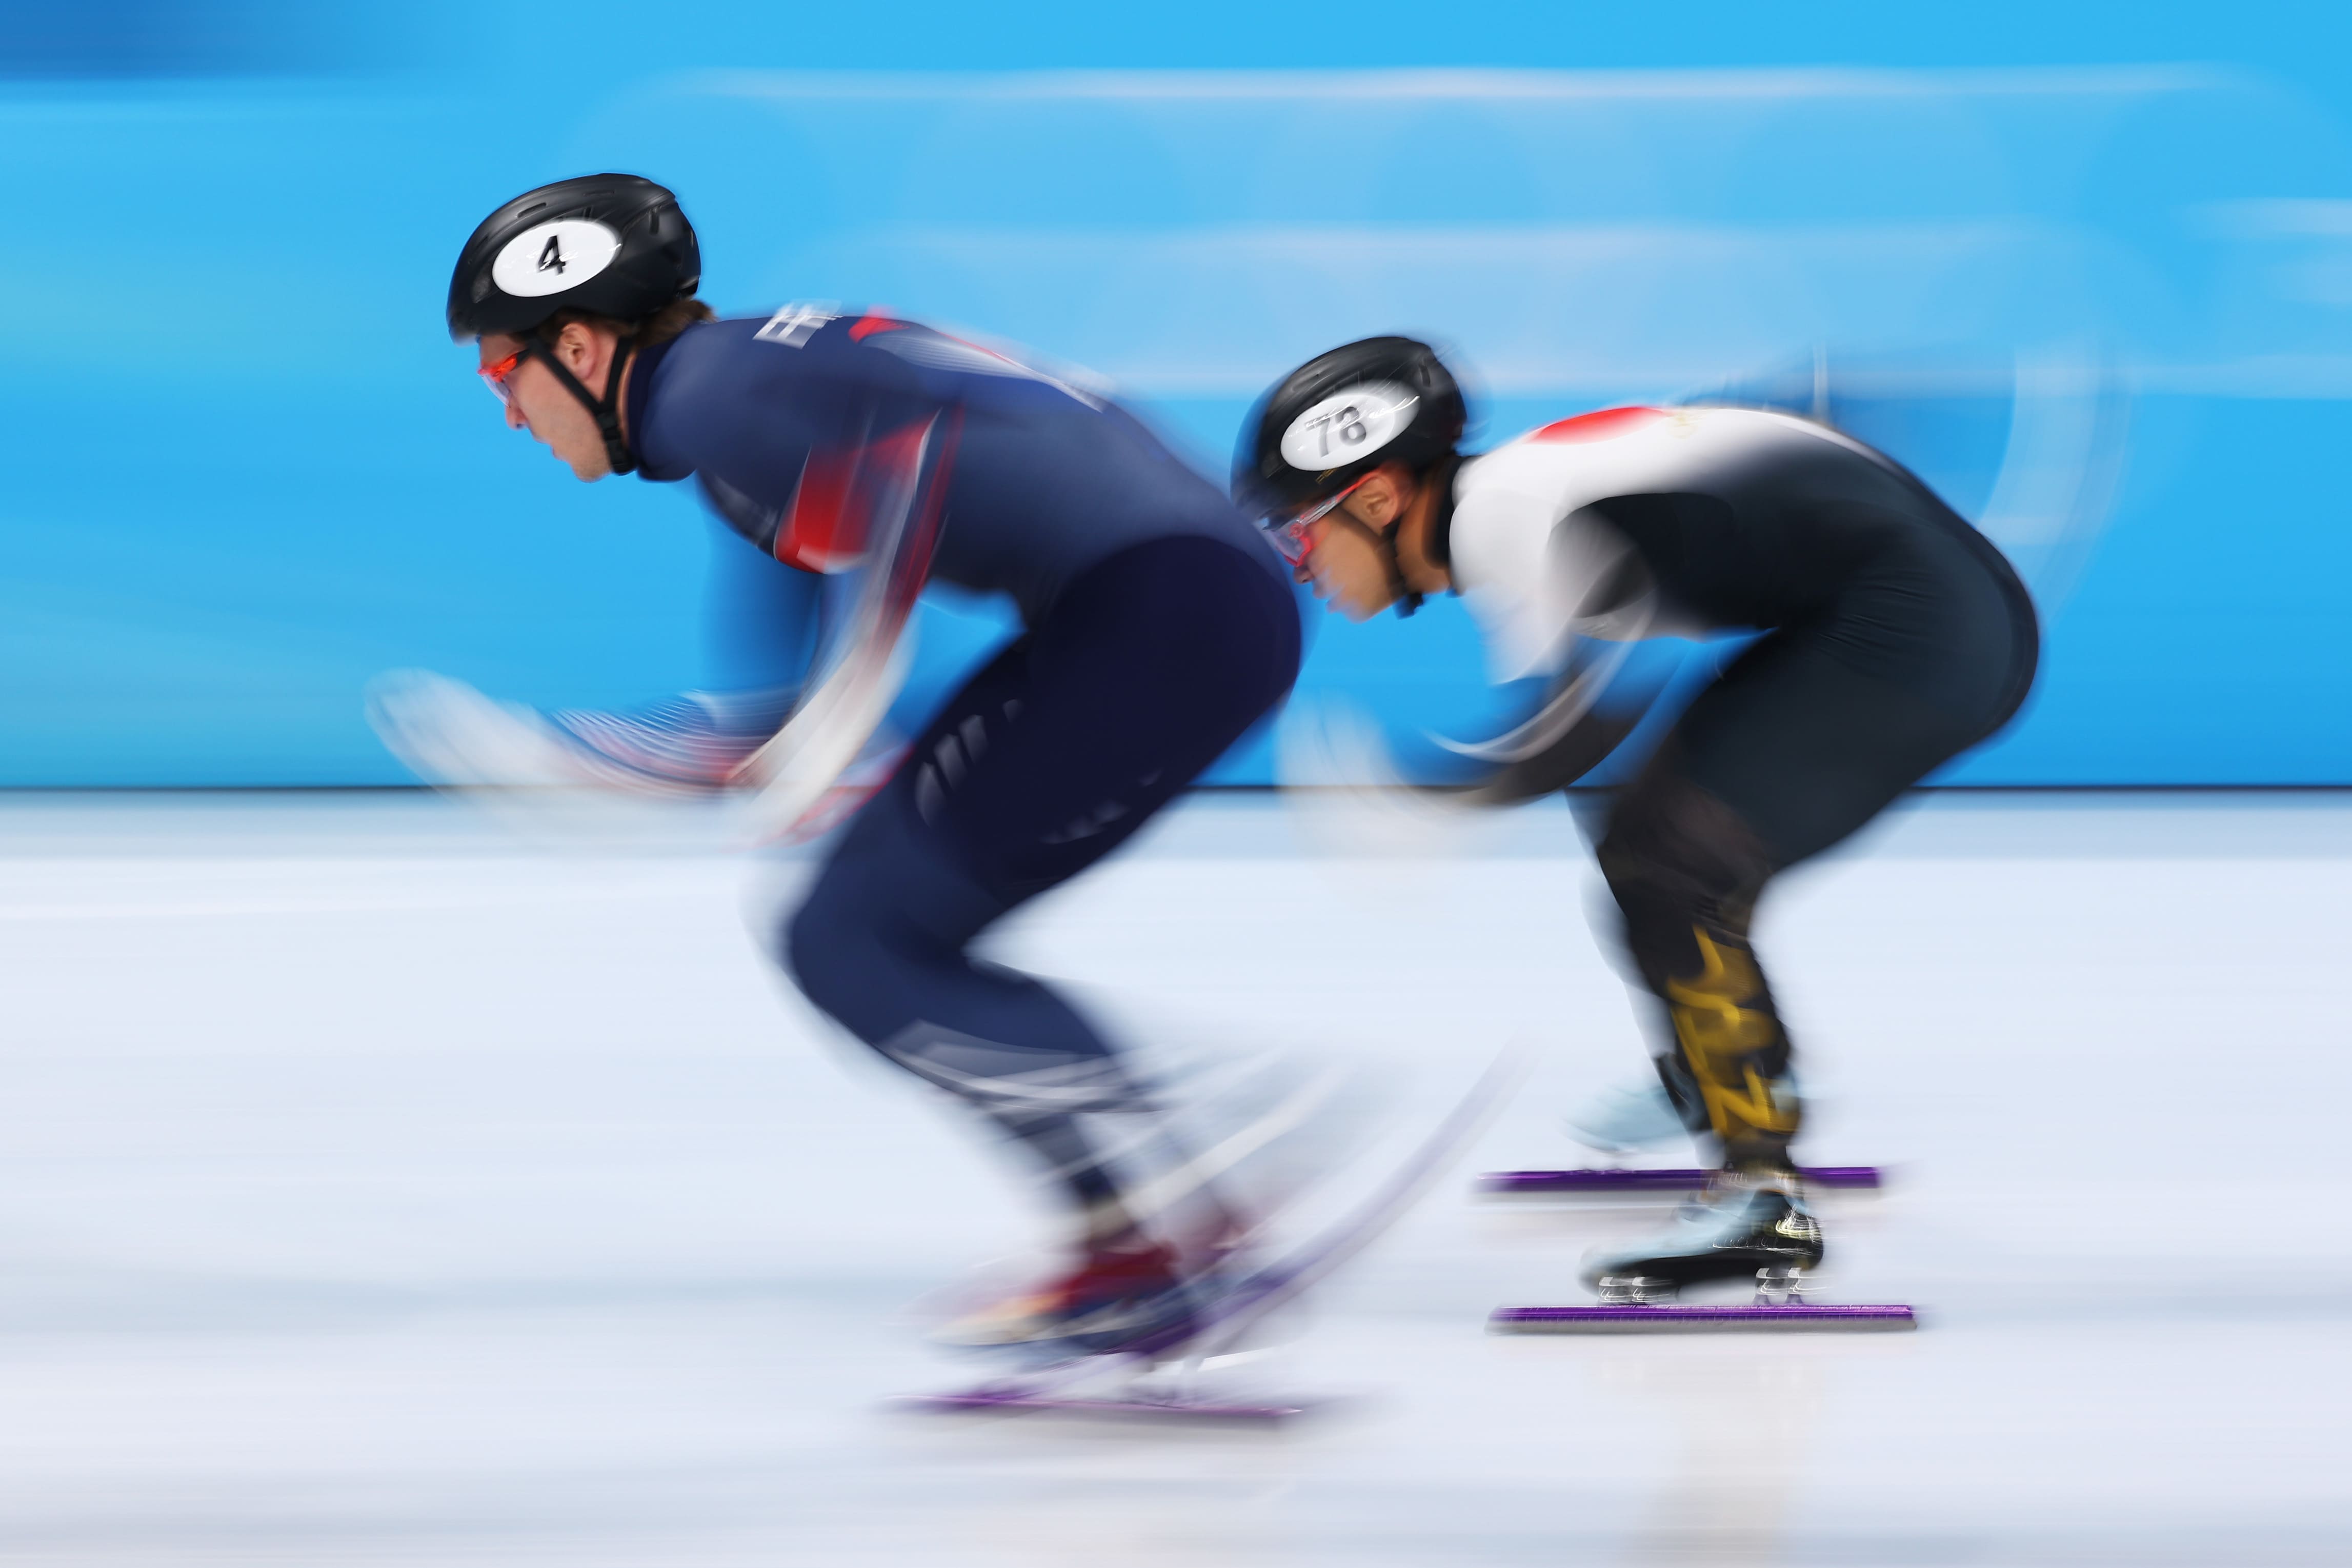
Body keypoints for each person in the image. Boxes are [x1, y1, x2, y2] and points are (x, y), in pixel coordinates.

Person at [437, 173, 1301, 1351]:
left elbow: (897, 496)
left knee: (853, 937)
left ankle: (1204, 1133)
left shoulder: (711, 400)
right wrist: (708, 743)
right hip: (1166, 602)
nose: (506, 412)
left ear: (580, 345)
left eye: (502, 374)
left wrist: (841, 716)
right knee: (869, 927)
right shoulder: (738, 399)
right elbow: (776, 692)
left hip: (1160, 607)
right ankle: (1132, 1242)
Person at [1237, 337, 2038, 1301]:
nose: (1300, 566)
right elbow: (1588, 744)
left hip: (1924, 627)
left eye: (1297, 533)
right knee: (1643, 838)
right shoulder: (1521, 499)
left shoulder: (1502, 517)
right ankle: (1733, 1080)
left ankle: (1763, 1198)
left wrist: (1408, 798)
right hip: (1908, 610)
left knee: (1668, 865)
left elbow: (1554, 743)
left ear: (1374, 499)